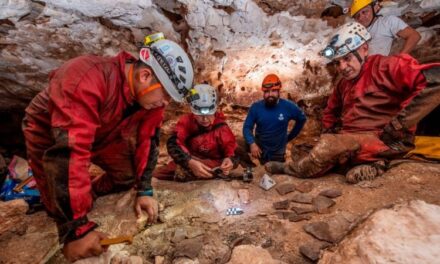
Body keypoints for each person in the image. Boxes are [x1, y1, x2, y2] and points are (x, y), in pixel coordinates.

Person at [22, 33, 194, 262]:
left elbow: (148, 141)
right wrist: (77, 231)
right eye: (165, 96)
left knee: (126, 177)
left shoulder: (149, 103)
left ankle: (86, 195)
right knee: (57, 198)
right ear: (145, 75)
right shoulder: (86, 76)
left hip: (104, 130)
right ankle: (71, 213)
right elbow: (69, 152)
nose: (165, 104)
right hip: (51, 131)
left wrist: (144, 189)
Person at [266, 22, 440, 183]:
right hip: (352, 139)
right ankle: (368, 164)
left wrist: (398, 126)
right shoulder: (343, 83)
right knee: (303, 148)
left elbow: (435, 80)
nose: (342, 67)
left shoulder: (388, 66)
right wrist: (328, 132)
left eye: (347, 58)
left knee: (328, 147)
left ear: (364, 49)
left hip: (383, 139)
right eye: (337, 62)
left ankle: (290, 170)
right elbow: (330, 111)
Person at [153, 84, 238, 181]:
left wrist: (230, 160)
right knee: (156, 174)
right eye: (200, 115)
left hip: (212, 164)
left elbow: (232, 150)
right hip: (189, 159)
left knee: (208, 171)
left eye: (209, 114)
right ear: (193, 111)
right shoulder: (186, 122)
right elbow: (174, 144)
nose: (205, 119)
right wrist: (189, 161)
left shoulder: (221, 128)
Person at [241, 74, 307, 165]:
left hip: (276, 153)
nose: (270, 94)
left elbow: (302, 119)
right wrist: (252, 143)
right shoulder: (256, 107)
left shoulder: (288, 106)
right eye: (267, 91)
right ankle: (250, 166)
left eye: (274, 91)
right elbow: (247, 127)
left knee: (271, 170)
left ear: (279, 91)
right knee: (235, 144)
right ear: (263, 93)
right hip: (259, 147)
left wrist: (289, 137)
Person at [350, 0, 421, 56]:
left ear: (374, 8)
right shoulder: (356, 33)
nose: (361, 18)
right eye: (357, 16)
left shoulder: (388, 21)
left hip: (382, 68)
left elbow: (414, 36)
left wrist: (399, 59)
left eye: (364, 12)